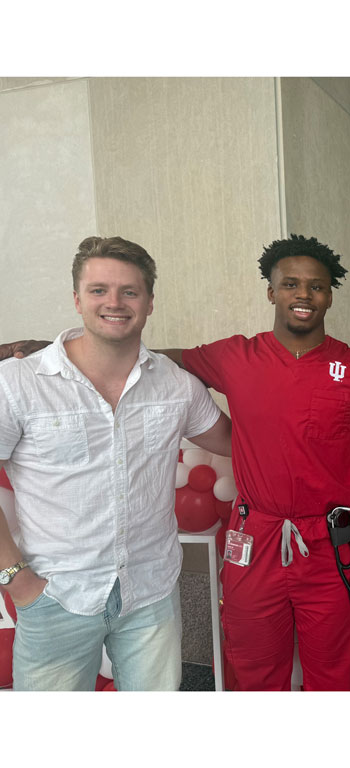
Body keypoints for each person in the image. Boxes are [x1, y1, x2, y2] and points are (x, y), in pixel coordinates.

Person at [163, 235, 350, 690]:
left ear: (329, 296)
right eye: (290, 284)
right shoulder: (236, 357)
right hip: (254, 538)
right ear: (271, 291)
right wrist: (72, 350)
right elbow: (158, 361)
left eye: (316, 286)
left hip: (331, 541)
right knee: (253, 672)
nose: (303, 295)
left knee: (331, 677)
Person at [0, 236, 231, 691]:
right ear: (76, 299)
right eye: (99, 290)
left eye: (129, 291)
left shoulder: (178, 386)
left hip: (152, 595)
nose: (115, 303)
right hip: (55, 596)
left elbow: (241, 444)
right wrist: (15, 580)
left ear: (148, 302)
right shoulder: (18, 383)